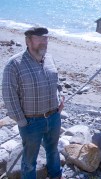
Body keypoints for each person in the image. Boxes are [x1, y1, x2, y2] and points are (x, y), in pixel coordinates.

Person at [2, 27, 64, 179]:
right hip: (31, 122)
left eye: (46, 38)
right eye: (39, 38)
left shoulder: (49, 58)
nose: (44, 41)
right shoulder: (14, 64)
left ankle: (56, 175)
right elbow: (9, 96)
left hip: (53, 117)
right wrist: (22, 122)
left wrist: (60, 98)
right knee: (29, 160)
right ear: (28, 41)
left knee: (53, 150)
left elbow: (57, 81)